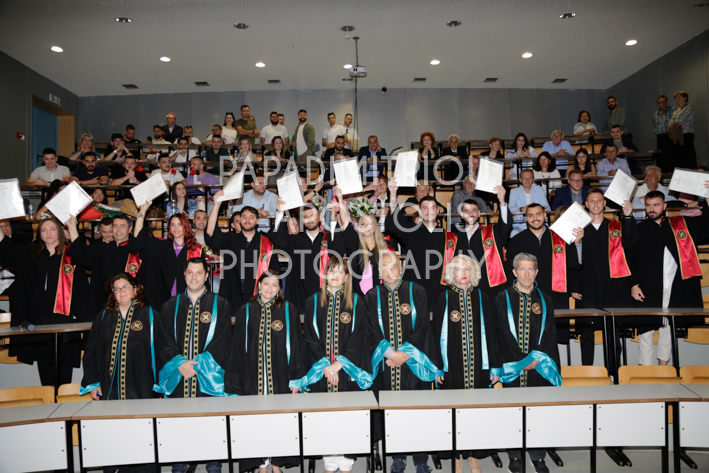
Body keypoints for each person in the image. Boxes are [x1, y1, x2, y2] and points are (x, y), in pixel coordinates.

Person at [364, 251, 440, 473]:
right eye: (384, 268)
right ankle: (397, 457)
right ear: (379, 272)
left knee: (416, 412)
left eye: (393, 266)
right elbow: (370, 330)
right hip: (386, 366)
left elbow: (423, 326)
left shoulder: (417, 291)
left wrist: (402, 354)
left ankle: (420, 459)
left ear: (401, 268)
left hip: (413, 364)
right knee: (391, 412)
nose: (390, 271)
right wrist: (389, 353)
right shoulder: (371, 296)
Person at [156, 258, 232, 473]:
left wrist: (198, 365)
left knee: (211, 422)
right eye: (190, 272)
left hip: (208, 375)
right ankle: (179, 465)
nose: (194, 277)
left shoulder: (220, 304)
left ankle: (213, 464)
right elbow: (164, 340)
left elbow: (223, 340)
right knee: (178, 422)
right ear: (184, 274)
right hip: (178, 375)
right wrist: (180, 364)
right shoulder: (170, 306)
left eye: (199, 273)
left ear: (207, 276)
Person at [225, 271, 304, 473]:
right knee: (256, 421)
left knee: (279, 420)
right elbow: (236, 348)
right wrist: (234, 382)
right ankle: (262, 464)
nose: (269, 288)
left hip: (280, 377)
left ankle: (276, 464)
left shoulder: (289, 310)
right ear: (259, 286)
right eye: (266, 283)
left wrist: (297, 378)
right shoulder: (245, 311)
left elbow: (297, 345)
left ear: (279, 289)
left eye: (274, 285)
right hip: (252, 377)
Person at [0, 217, 88, 387]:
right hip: (41, 323)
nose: (48, 233)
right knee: (46, 377)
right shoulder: (30, 254)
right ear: (39, 234)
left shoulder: (72, 255)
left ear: (60, 232)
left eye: (52, 229)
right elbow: (6, 249)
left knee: (64, 377)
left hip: (66, 322)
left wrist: (78, 314)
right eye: (44, 230)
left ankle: (61, 403)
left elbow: (82, 289)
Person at [493, 253, 561, 473]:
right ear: (514, 272)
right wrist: (521, 360)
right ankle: (514, 455)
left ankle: (538, 456)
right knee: (513, 411)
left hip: (538, 366)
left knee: (538, 410)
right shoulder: (502, 297)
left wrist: (536, 359)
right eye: (522, 269)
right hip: (513, 366)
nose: (526, 273)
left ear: (537, 272)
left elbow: (549, 333)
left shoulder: (545, 299)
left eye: (531, 269)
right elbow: (501, 333)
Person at [433, 255, 500, 473]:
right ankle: (456, 456)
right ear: (451, 273)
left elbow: (492, 332)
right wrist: (437, 366)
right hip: (452, 366)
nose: (463, 273)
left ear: (473, 272)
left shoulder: (482, 297)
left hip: (479, 365)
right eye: (458, 269)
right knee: (453, 410)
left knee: (476, 410)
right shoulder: (443, 298)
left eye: (467, 269)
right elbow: (435, 335)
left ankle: (473, 455)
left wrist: (495, 365)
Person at [630, 189, 709, 366]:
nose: (652, 209)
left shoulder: (680, 225)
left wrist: (708, 200)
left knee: (668, 328)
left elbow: (705, 226)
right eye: (648, 205)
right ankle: (646, 371)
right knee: (646, 331)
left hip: (674, 286)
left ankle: (663, 368)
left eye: (656, 205)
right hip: (647, 288)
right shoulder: (638, 229)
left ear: (665, 206)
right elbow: (629, 259)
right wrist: (633, 284)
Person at [574, 189, 637, 365]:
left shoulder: (616, 227)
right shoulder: (578, 228)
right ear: (586, 204)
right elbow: (569, 260)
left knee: (613, 333)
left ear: (604, 203)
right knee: (587, 333)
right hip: (587, 287)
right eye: (592, 201)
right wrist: (574, 286)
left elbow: (630, 246)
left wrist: (628, 217)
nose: (595, 204)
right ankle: (587, 372)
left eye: (599, 200)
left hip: (613, 287)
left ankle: (613, 372)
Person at [300, 258, 372, 398]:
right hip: (320, 371)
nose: (335, 275)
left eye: (340, 272)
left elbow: (359, 336)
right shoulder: (312, 301)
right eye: (331, 270)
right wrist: (327, 368)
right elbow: (310, 337)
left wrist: (338, 365)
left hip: (348, 370)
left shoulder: (357, 302)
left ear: (346, 277)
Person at [81, 272, 157, 401]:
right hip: (108, 389)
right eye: (116, 289)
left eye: (125, 287)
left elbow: (161, 353)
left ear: (135, 289)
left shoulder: (151, 316)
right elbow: (90, 353)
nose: (121, 291)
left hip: (142, 389)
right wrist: (93, 382)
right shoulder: (102, 318)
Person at [505, 203, 582, 321]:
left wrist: (574, 287)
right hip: (528, 294)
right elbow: (511, 270)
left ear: (545, 215)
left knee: (558, 327)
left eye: (538, 214)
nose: (535, 218)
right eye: (530, 215)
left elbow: (572, 265)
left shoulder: (560, 238)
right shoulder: (516, 241)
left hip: (557, 294)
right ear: (526, 218)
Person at [386, 179, 456, 309]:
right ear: (419, 211)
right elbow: (395, 221)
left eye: (433, 208)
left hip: (441, 290)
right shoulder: (411, 231)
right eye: (425, 208)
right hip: (415, 289)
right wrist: (393, 194)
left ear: (438, 211)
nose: (429, 211)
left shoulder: (449, 237)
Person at [206, 194, 279, 310]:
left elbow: (274, 273)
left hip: (258, 299)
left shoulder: (266, 243)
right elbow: (210, 234)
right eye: (244, 217)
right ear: (239, 220)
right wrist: (216, 205)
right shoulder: (230, 239)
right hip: (232, 295)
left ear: (257, 221)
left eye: (251, 217)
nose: (247, 220)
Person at [130, 202, 203, 309]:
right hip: (163, 301)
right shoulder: (160, 246)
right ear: (169, 228)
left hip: (187, 301)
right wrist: (142, 212)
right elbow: (138, 241)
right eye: (172, 225)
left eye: (180, 224)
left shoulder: (195, 250)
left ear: (186, 227)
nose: (176, 228)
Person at [67, 214, 141, 315]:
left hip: (130, 306)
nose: (118, 229)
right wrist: (72, 227)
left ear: (130, 229)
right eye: (115, 226)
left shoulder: (137, 252)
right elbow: (81, 253)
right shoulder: (101, 248)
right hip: (103, 304)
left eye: (122, 226)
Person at [268, 198, 330, 312]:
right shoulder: (294, 240)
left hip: (323, 294)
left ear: (320, 217)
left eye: (312, 215)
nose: (309, 219)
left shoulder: (328, 239)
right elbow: (275, 237)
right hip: (298, 294)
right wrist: (280, 213)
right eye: (305, 217)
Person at [330, 188, 394, 296]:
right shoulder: (355, 243)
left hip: (379, 295)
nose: (367, 226)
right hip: (357, 296)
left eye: (370, 223)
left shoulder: (384, 247)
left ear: (375, 226)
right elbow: (345, 223)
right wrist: (340, 199)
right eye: (363, 224)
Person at [452, 186, 511, 300]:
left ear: (479, 213)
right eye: (466, 211)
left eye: (474, 210)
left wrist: (502, 202)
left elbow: (505, 226)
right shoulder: (456, 238)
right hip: (466, 287)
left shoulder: (491, 232)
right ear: (462, 215)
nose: (471, 213)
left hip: (490, 286)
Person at [508, 169, 550, 237]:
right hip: (520, 225)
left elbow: (547, 208)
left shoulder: (539, 190)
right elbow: (510, 209)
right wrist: (522, 209)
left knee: (547, 234)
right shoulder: (514, 191)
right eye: (525, 178)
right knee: (514, 234)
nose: (527, 180)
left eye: (530, 178)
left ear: (533, 179)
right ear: (520, 180)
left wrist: (537, 208)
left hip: (538, 223)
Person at [669, 90, 697, 170]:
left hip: (686, 135)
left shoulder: (689, 107)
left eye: (678, 98)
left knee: (687, 155)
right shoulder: (676, 110)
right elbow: (671, 122)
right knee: (678, 157)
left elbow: (682, 120)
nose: (677, 100)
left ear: (685, 98)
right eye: (675, 99)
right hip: (677, 136)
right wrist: (675, 124)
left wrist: (676, 124)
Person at [652, 95, 676, 173]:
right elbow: (655, 125)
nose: (661, 104)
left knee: (672, 156)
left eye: (663, 102)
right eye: (659, 103)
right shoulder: (655, 114)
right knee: (661, 157)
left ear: (667, 102)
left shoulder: (673, 110)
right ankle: (662, 175)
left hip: (670, 137)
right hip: (660, 138)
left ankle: (672, 174)